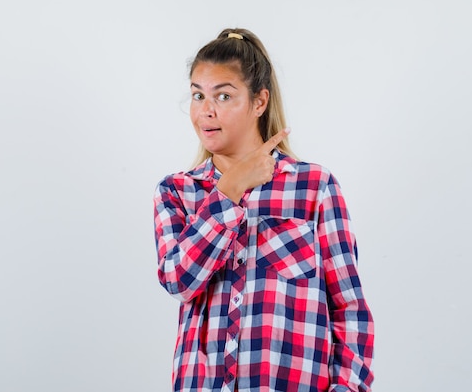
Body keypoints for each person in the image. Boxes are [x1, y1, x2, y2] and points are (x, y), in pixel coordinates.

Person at [154, 28, 374, 392]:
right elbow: (179, 281)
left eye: (223, 95)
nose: (205, 111)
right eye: (197, 95)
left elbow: (349, 310)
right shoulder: (177, 192)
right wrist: (229, 190)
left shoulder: (313, 187)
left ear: (259, 102)